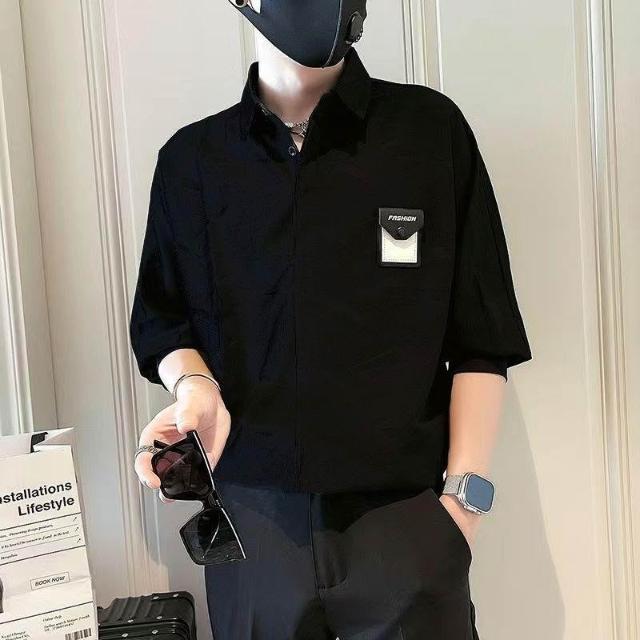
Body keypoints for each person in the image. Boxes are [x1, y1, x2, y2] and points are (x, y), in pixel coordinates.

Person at [129, 1, 532, 638]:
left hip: (404, 521)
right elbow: (163, 320)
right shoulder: (193, 163)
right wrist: (194, 385)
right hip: (252, 523)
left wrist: (461, 509)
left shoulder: (427, 133)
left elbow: (482, 334)